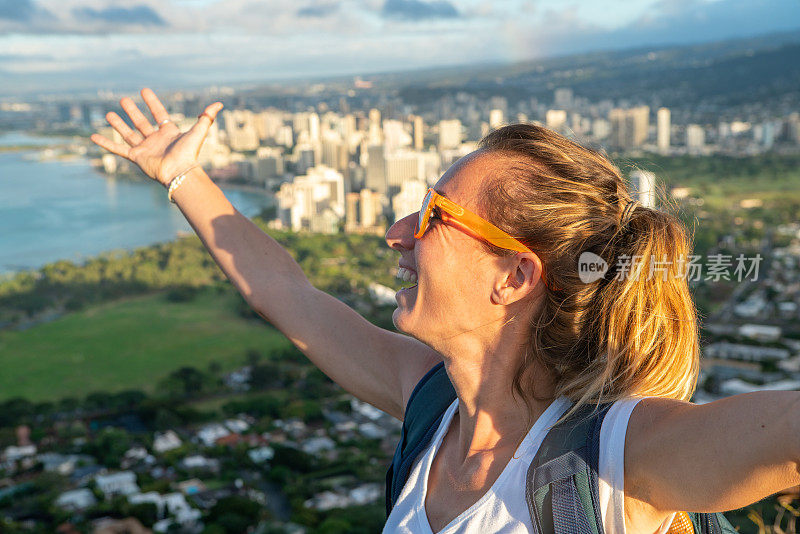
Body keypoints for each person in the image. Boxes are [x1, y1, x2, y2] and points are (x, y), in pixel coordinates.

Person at [91, 88, 800, 533]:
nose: (397, 232)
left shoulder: (617, 453)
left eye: (431, 215)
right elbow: (290, 295)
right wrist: (182, 176)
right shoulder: (430, 403)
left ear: (515, 275)